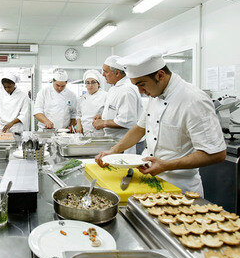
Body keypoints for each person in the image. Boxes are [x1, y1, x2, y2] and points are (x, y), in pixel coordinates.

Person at [95, 48, 226, 195]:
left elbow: (217, 153)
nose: (140, 91)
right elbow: (139, 129)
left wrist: (166, 165)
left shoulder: (193, 100)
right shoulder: (155, 95)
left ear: (160, 75)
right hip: (149, 181)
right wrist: (113, 151)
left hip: (180, 188)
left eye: (141, 84)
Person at [93, 55, 142, 153]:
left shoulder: (126, 90)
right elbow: (115, 111)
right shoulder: (114, 88)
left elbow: (127, 121)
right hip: (116, 141)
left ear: (117, 73)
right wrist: (102, 117)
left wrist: (103, 123)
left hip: (128, 143)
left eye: (106, 72)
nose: (103, 75)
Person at [76, 69, 107, 136]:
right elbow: (78, 114)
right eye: (87, 82)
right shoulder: (82, 98)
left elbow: (110, 114)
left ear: (98, 83)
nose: (90, 85)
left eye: (93, 82)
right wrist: (78, 125)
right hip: (84, 132)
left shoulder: (105, 96)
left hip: (99, 132)